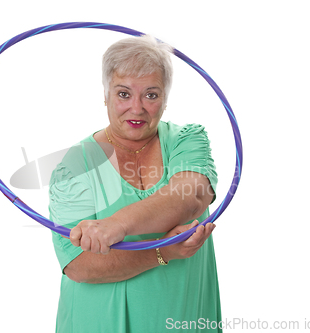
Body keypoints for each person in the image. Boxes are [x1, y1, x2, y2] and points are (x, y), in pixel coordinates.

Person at [49, 34, 221, 333]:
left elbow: (190, 196)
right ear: (106, 95)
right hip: (96, 322)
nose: (137, 108)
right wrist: (164, 251)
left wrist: (117, 225)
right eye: (124, 94)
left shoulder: (186, 140)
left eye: (151, 95)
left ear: (165, 98)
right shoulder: (73, 166)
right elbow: (79, 265)